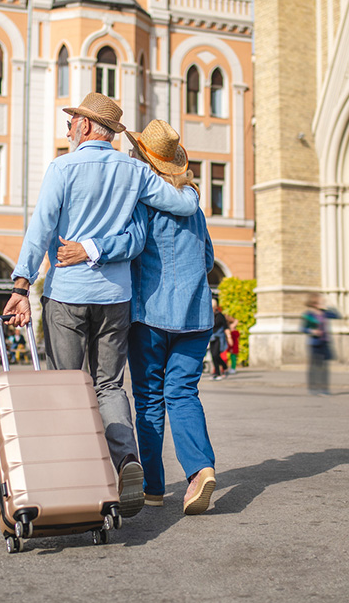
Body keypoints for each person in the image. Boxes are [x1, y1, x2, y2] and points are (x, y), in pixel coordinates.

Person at [3, 94, 201, 519]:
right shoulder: (134, 171)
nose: (69, 126)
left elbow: (39, 230)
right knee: (109, 385)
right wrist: (191, 188)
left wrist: (21, 285)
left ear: (90, 127)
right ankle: (127, 460)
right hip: (116, 298)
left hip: (68, 295)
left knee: (69, 386)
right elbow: (183, 205)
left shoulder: (62, 168)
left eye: (74, 121)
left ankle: (76, 477)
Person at [57, 119, 218, 515]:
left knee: (148, 399)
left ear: (145, 160)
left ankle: (154, 487)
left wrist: (87, 250)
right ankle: (200, 470)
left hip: (152, 316)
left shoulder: (143, 200)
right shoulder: (192, 204)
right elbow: (209, 258)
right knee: (182, 393)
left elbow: (133, 244)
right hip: (197, 316)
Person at [301, 294, 340, 395]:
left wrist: (330, 306)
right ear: (314, 303)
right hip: (314, 343)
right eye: (320, 301)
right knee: (314, 367)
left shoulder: (324, 313)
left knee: (325, 367)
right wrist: (312, 331)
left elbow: (337, 315)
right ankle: (313, 388)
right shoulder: (308, 315)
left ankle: (324, 388)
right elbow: (302, 328)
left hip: (325, 342)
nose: (322, 303)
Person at [209, 299, 230, 380]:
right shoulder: (208, 316)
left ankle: (223, 367)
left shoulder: (220, 316)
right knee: (213, 355)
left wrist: (229, 336)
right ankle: (217, 373)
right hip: (211, 337)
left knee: (215, 354)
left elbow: (225, 327)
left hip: (218, 337)